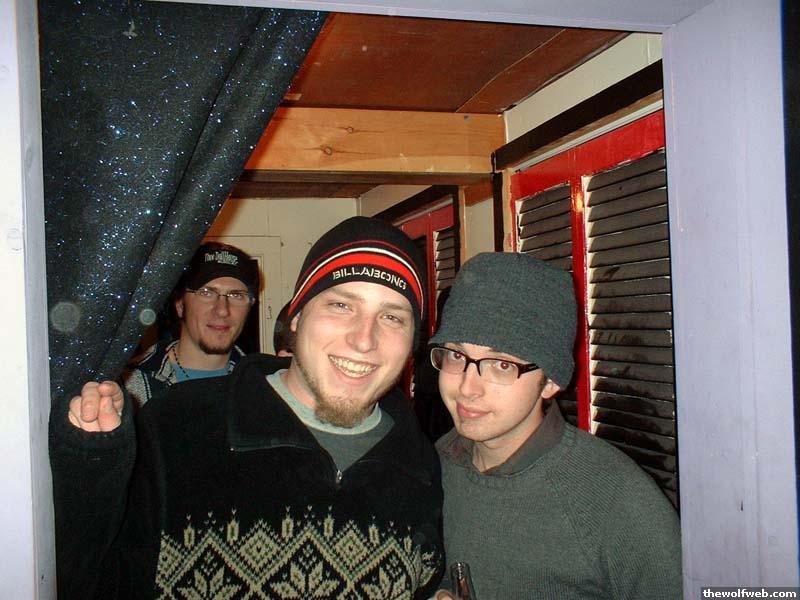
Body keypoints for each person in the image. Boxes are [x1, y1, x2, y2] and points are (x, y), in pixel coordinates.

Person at [50, 217, 444, 600]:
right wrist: (91, 465)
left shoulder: (421, 465)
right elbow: (88, 580)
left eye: (392, 316)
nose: (364, 340)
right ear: (296, 317)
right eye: (341, 305)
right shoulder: (173, 430)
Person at [430, 252, 682, 599]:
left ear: (550, 381)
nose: (467, 387)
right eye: (457, 355)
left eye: (501, 365)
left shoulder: (617, 500)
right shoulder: (431, 469)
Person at [123, 241, 259, 406]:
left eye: (236, 295)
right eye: (207, 293)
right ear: (180, 305)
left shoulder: (263, 386)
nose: (222, 310)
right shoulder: (127, 386)